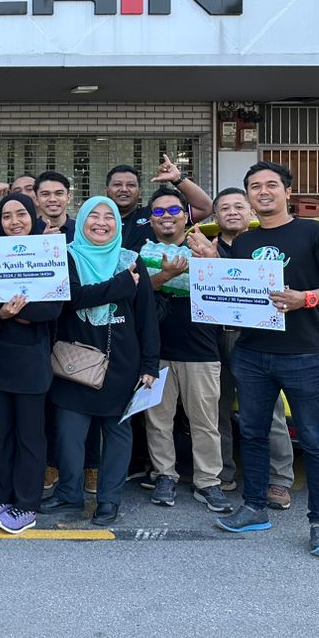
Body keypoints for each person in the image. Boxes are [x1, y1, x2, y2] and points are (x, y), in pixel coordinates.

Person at [196, 162, 319, 557]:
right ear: (249, 196)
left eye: (271, 185)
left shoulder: (314, 232)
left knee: (314, 440)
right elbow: (235, 292)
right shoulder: (244, 242)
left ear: (287, 192)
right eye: (255, 186)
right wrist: (212, 262)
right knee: (252, 433)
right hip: (250, 353)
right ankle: (254, 508)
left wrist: (306, 298)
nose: (263, 191)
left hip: (301, 354)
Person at [42, 197, 159, 526]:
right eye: (93, 215)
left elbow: (146, 317)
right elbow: (72, 298)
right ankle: (69, 493)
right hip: (73, 362)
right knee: (68, 435)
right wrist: (120, 285)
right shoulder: (66, 257)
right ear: (81, 222)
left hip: (121, 362)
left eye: (109, 217)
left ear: (118, 225)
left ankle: (109, 500)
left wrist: (149, 366)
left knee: (118, 435)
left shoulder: (131, 260)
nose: (101, 222)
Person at [0, 193, 64, 535]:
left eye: (21, 214)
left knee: (29, 437)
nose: (14, 222)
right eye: (7, 215)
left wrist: (15, 312)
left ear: (33, 216)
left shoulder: (48, 252)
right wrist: (2, 314)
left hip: (31, 363)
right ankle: (3, 499)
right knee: (2, 436)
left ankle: (27, 505)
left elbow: (53, 308)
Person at [141, 188, 233, 514]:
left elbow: (230, 289)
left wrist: (212, 260)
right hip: (156, 351)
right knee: (158, 420)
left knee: (205, 421)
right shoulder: (140, 252)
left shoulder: (206, 247)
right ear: (150, 220)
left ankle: (208, 481)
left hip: (202, 349)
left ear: (186, 216)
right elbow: (135, 292)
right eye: (158, 212)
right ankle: (164, 475)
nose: (166, 217)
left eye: (173, 211)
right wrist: (165, 275)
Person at [207, 188, 295, 502]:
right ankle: (222, 473)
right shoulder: (204, 246)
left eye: (239, 206)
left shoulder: (267, 247)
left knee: (269, 411)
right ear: (215, 215)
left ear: (251, 212)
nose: (232, 212)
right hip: (212, 338)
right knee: (215, 410)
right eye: (224, 208)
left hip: (257, 337)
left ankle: (279, 479)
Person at [107, 156, 212, 250]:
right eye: (117, 185)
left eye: (131, 185)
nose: (124, 189)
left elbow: (206, 208)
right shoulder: (99, 221)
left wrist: (177, 179)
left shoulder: (156, 214)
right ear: (106, 190)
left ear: (140, 192)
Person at [34, 171, 75, 240]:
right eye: (45, 194)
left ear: (68, 198)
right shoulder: (29, 231)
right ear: (36, 200)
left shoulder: (82, 230)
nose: (52, 199)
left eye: (59, 193)